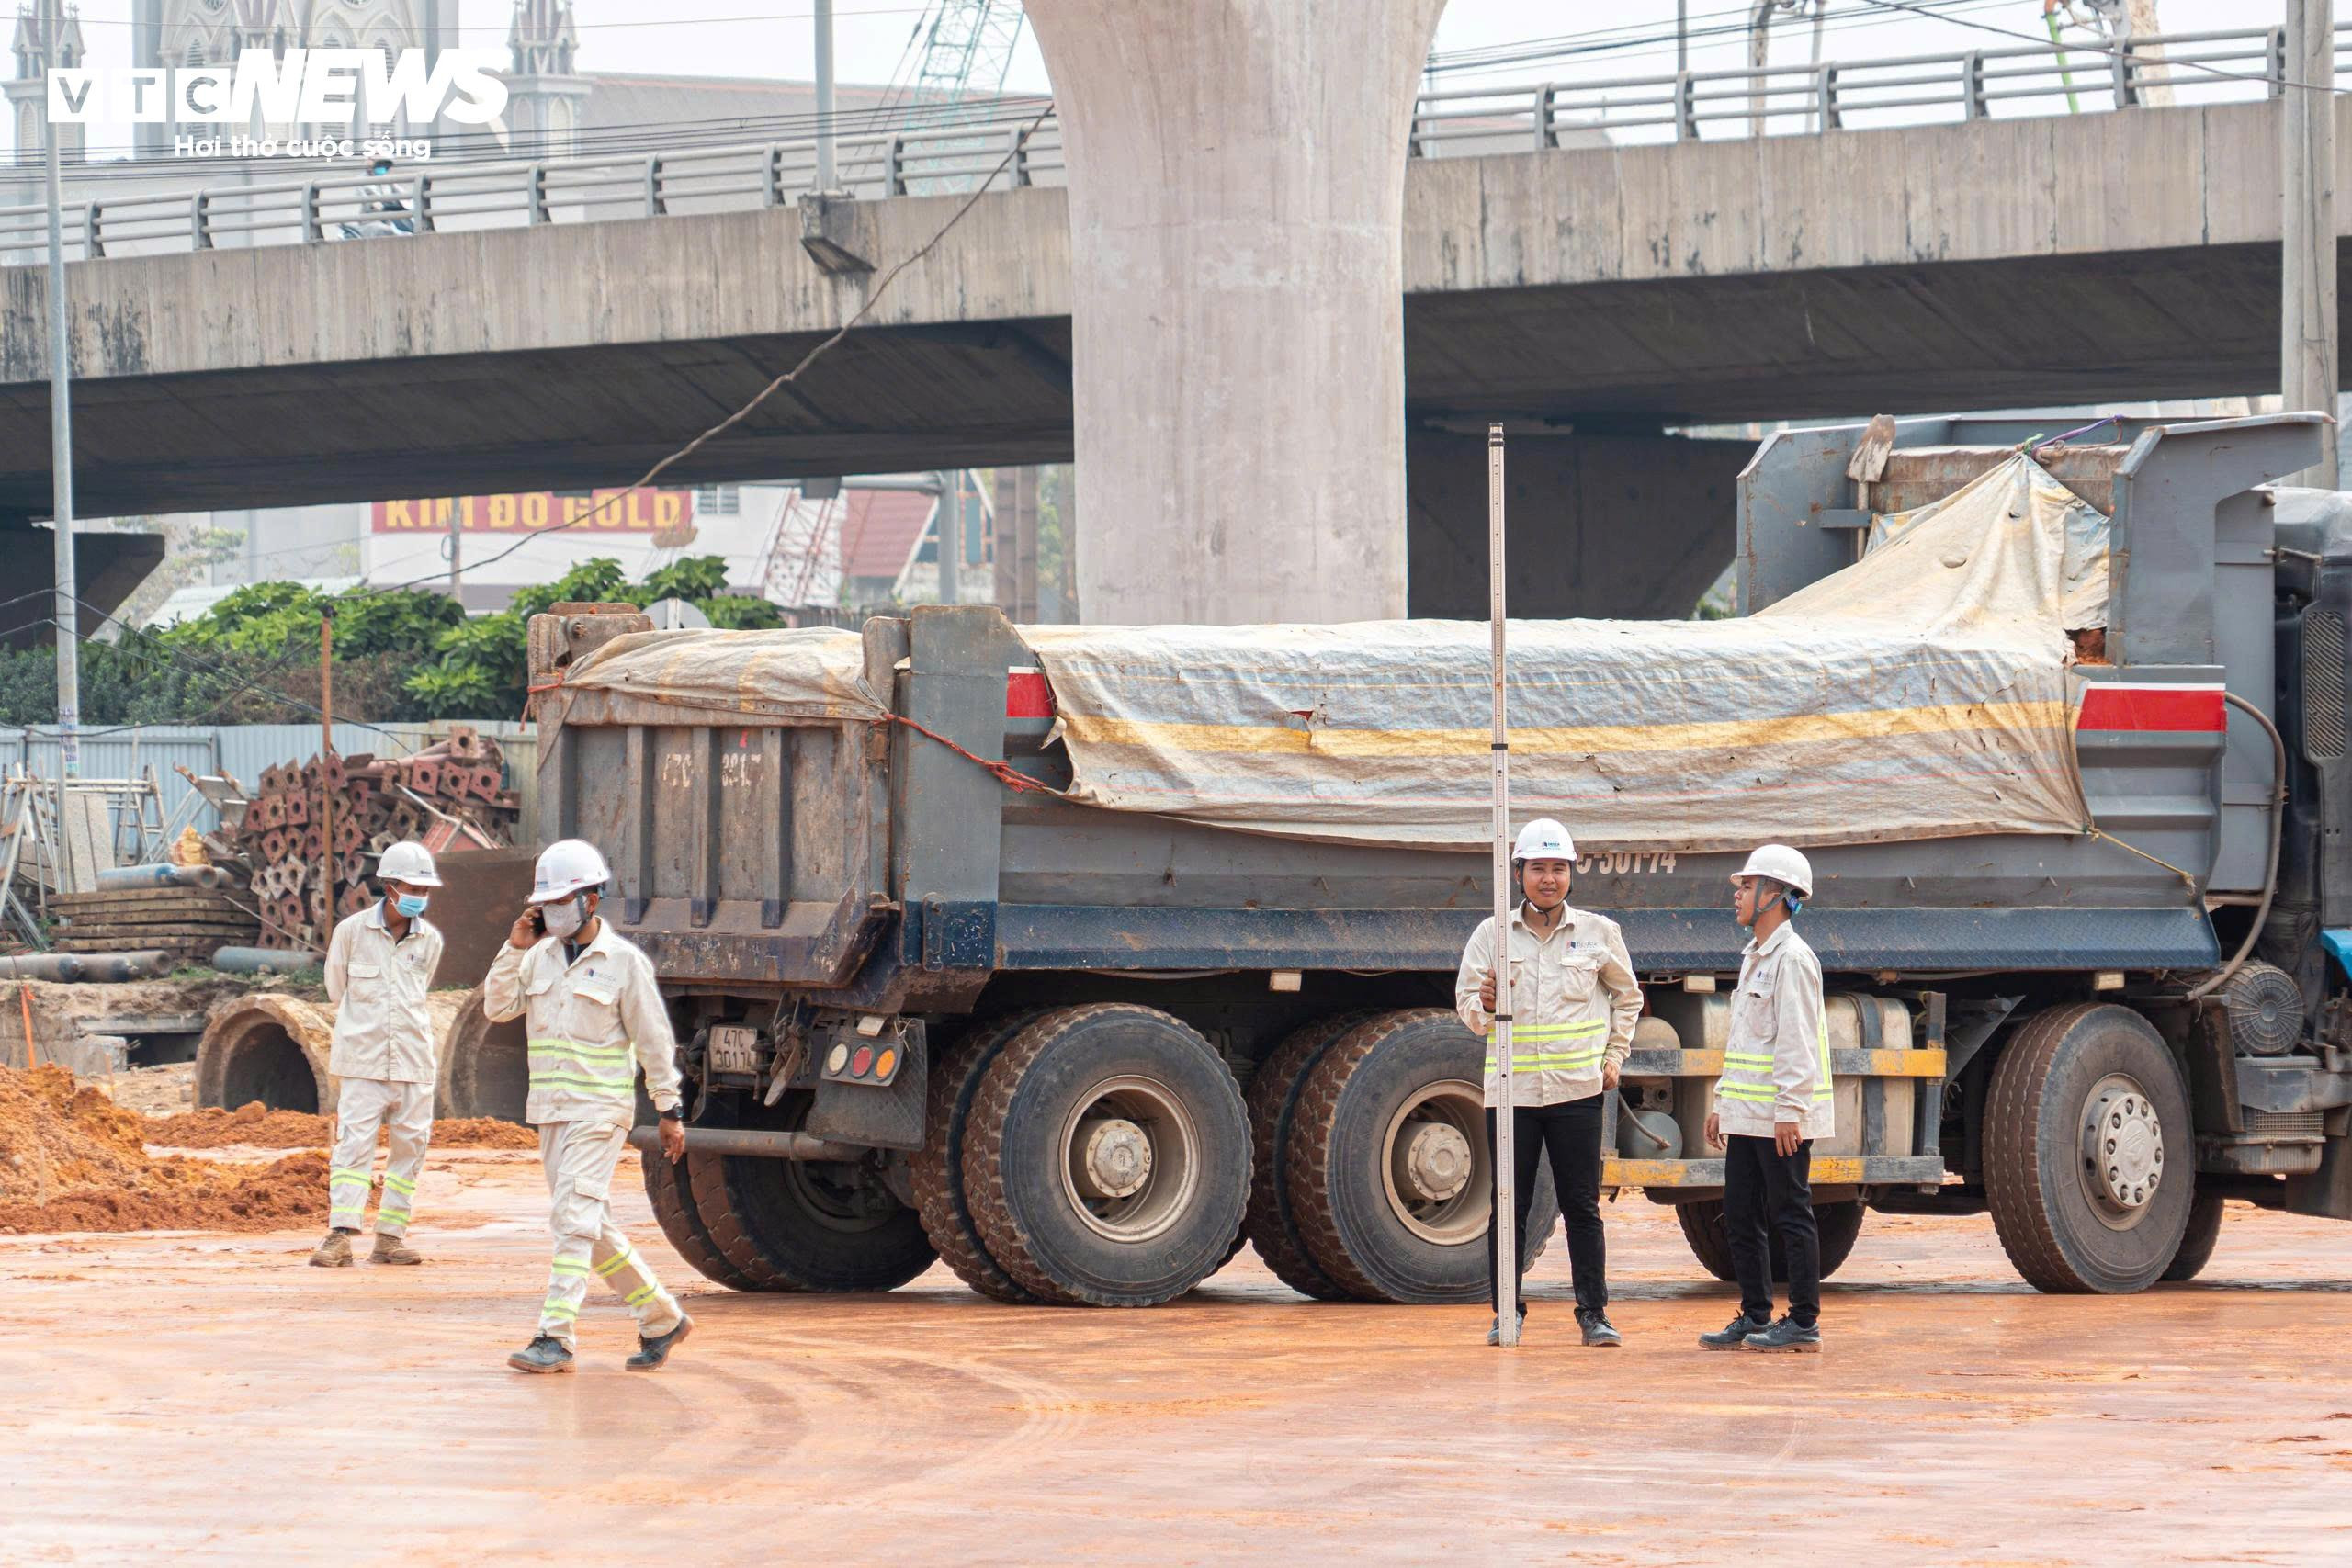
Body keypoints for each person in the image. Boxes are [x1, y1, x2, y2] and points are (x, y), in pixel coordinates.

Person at [483, 839, 693, 1374]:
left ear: (592, 900)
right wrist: (513, 948)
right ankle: (661, 1317)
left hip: (600, 1110)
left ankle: (555, 1337)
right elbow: (498, 1007)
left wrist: (668, 1110)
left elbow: (653, 1040)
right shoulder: (536, 959)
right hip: (551, 1110)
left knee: (572, 1219)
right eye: (546, 902)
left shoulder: (624, 964)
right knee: (587, 1223)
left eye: (563, 900)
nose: (553, 910)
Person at [1455, 818, 1643, 1347]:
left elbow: (1628, 997)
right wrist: (1487, 1006)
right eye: (1538, 868)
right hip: (1511, 1093)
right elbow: (1467, 1006)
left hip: (1576, 1093)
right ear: (1518, 874)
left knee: (1580, 1204)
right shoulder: (1491, 934)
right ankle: (1506, 1313)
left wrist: (1615, 1054)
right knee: (1508, 1205)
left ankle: (1594, 1313)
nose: (1549, 879)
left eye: (1558, 868)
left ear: (1571, 873)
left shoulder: (1598, 934)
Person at [1700, 844, 1833, 1355]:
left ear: (1775, 895)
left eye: (1748, 886)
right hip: (1747, 1116)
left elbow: (1798, 1042)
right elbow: (1745, 1042)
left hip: (1781, 1119)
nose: (1737, 893)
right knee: (1739, 1213)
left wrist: (1790, 1113)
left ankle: (1803, 1321)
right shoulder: (1755, 958)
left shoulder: (1794, 960)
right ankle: (1755, 1314)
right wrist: (1722, 1103)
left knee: (1789, 1212)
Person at [311, 840, 447, 1268]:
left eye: (425, 890)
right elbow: (337, 990)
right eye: (413, 887)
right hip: (363, 1062)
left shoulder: (430, 941)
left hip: (413, 1062)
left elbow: (418, 993)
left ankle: (390, 1238)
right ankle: (340, 1236)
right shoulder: (351, 933)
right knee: (354, 1148)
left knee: (411, 1150)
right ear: (388, 886)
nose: (419, 898)